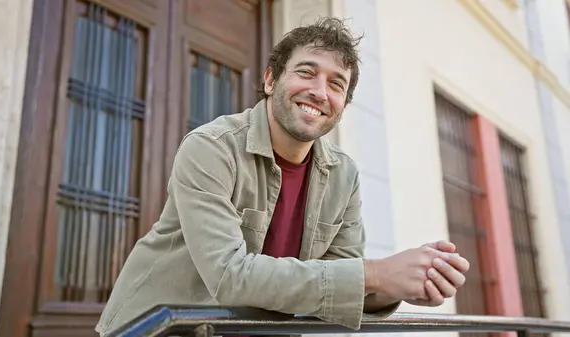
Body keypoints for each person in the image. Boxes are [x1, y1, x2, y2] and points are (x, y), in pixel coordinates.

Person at [95, 17, 469, 336]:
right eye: (306, 72)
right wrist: (377, 274)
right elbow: (229, 276)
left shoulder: (345, 175)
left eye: (336, 83)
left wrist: (402, 285)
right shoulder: (211, 147)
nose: (320, 91)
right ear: (271, 80)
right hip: (159, 328)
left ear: (343, 105)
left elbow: (342, 287)